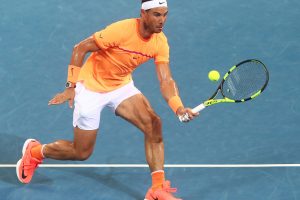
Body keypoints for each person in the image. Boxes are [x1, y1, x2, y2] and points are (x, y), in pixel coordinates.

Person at [16, 0, 198, 199]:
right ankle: (34, 152)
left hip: (120, 86)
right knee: (81, 152)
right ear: (143, 14)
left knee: (153, 124)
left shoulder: (160, 42)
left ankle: (156, 189)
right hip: (90, 88)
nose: (162, 20)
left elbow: (166, 79)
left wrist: (178, 108)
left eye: (165, 15)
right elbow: (80, 48)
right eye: (156, 14)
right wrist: (71, 86)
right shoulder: (121, 30)